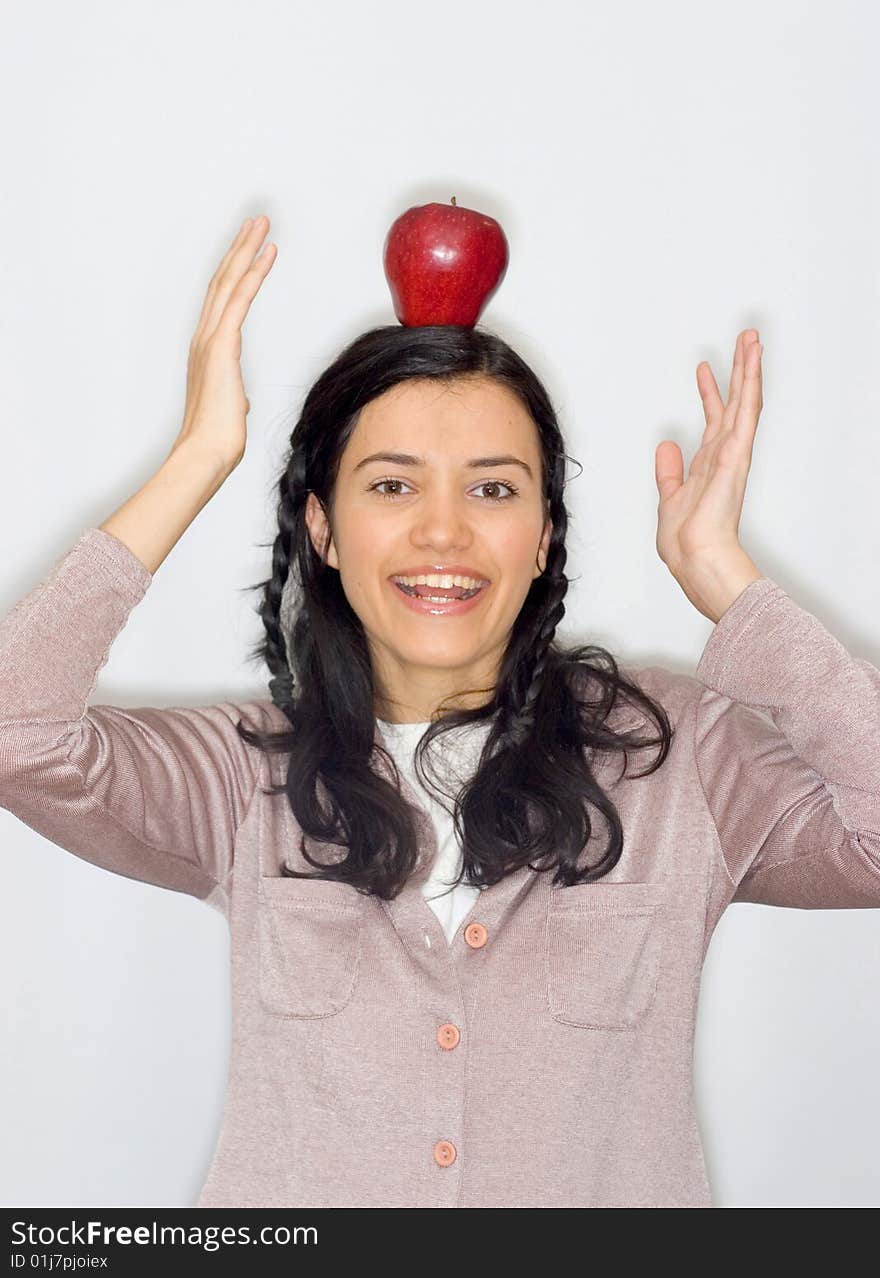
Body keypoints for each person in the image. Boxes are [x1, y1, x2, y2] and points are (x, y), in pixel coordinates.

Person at [1, 215, 878, 1209]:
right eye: (391, 484)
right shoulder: (240, 776)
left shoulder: (677, 760)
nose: (442, 532)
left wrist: (731, 586)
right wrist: (199, 457)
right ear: (322, 526)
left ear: (544, 533)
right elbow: (16, 730)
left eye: (494, 489)